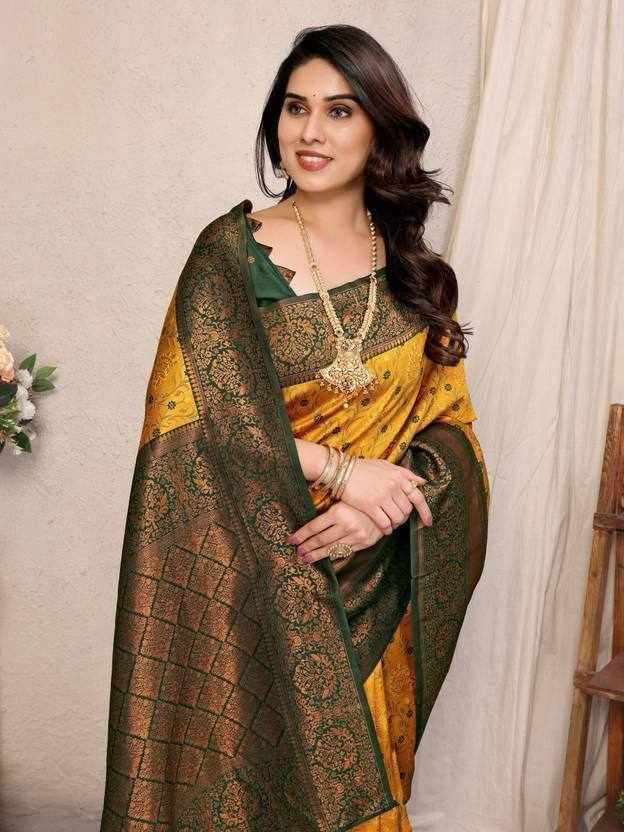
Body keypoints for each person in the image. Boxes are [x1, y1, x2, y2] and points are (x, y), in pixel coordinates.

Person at [99, 23, 490, 832]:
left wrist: (380, 509)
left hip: (371, 579)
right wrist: (347, 474)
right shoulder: (227, 254)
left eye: (340, 111)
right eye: (295, 107)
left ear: (380, 128)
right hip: (249, 576)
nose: (311, 131)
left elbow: (450, 431)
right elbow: (193, 422)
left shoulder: (415, 272)